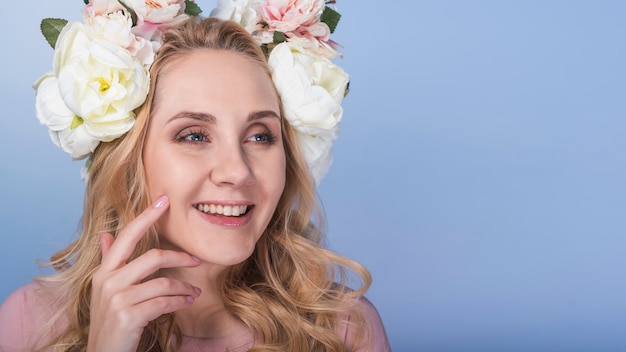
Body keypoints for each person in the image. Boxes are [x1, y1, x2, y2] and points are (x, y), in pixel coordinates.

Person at [0, 1, 390, 351]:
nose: (237, 171)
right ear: (129, 158)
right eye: (195, 135)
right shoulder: (29, 324)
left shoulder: (343, 329)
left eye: (259, 136)